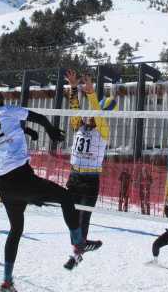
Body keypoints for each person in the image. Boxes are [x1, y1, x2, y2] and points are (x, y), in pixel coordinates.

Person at [0, 83, 101, 292]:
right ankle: (79, 243)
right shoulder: (7, 110)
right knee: (66, 198)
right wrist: (49, 130)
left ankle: (7, 281)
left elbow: (5, 130)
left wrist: (28, 131)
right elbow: (39, 117)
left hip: (3, 184)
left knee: (15, 230)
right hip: (21, 177)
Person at [65, 70, 113, 249]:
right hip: (74, 176)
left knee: (84, 216)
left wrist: (92, 93)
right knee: (72, 213)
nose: (90, 115)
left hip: (90, 179)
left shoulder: (103, 131)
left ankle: (80, 244)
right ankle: (78, 243)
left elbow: (98, 114)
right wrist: (73, 88)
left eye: (93, 113)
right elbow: (74, 108)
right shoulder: (78, 125)